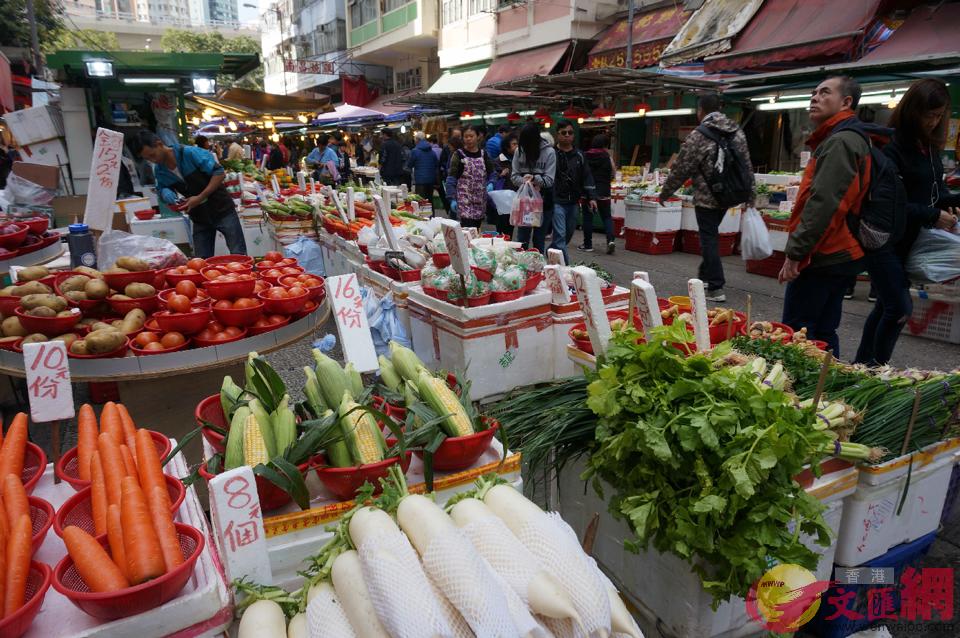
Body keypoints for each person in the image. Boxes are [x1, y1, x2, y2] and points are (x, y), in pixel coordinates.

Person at [855, 79, 960, 366]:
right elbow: (892, 203)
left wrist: (949, 202)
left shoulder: (929, 147)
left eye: (939, 115)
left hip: (909, 241)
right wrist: (933, 215)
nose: (934, 121)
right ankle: (875, 371)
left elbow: (931, 191)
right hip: (883, 240)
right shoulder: (892, 147)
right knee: (900, 307)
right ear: (913, 111)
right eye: (929, 115)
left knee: (886, 308)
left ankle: (862, 367)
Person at [778, 76, 871, 356]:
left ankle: (805, 393)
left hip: (825, 253)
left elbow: (824, 203)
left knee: (798, 332)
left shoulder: (840, 142)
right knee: (823, 329)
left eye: (824, 92)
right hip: (838, 252)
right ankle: (827, 390)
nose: (814, 98)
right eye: (814, 92)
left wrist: (797, 253)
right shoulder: (845, 138)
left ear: (846, 102)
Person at [660, 94, 755, 302]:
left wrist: (665, 192)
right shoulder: (737, 131)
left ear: (700, 111)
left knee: (709, 239)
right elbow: (747, 165)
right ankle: (705, 276)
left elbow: (681, 168)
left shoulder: (699, 135)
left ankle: (716, 287)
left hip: (706, 198)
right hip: (730, 196)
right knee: (710, 236)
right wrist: (751, 194)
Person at [130, 129, 247, 258]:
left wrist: (200, 197)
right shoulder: (159, 170)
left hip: (222, 210)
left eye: (152, 155)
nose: (153, 160)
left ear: (159, 144)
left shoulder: (189, 153)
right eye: (148, 159)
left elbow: (219, 173)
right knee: (200, 262)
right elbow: (161, 188)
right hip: (199, 217)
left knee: (239, 255)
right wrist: (165, 192)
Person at [551, 120, 596, 264]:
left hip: (574, 201)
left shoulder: (579, 155)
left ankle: (550, 251)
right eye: (563, 133)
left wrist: (592, 197)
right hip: (556, 200)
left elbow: (587, 176)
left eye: (570, 132)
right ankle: (565, 268)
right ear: (557, 135)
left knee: (567, 234)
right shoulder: (551, 154)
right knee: (560, 235)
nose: (567, 135)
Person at [512, 122, 557, 253]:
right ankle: (521, 268)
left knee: (539, 239)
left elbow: (549, 180)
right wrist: (525, 181)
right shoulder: (519, 151)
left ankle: (537, 268)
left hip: (543, 203)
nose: (525, 148)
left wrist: (534, 179)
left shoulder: (549, 153)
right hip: (524, 203)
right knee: (522, 239)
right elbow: (514, 177)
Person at [445, 125, 497, 229]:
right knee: (468, 230)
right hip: (464, 201)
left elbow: (492, 173)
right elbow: (451, 177)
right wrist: (451, 198)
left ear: (478, 137)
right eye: (466, 136)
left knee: (477, 229)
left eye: (471, 136)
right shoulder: (458, 155)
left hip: (480, 200)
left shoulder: (484, 154)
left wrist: (491, 182)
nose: (468, 139)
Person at [582, 134, 617, 254]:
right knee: (606, 217)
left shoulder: (585, 156)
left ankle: (588, 245)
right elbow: (613, 172)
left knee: (588, 218)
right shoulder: (607, 156)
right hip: (604, 191)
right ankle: (610, 240)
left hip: (588, 191)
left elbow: (582, 173)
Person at [489, 132, 518, 238]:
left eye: (517, 144)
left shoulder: (519, 160)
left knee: (510, 227)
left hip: (514, 199)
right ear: (506, 147)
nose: (517, 147)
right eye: (514, 144)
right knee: (501, 228)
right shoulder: (498, 161)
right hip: (501, 201)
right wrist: (500, 175)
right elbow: (492, 178)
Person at [407, 131, 440, 213]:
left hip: (420, 180)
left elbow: (409, 164)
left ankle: (424, 220)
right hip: (431, 180)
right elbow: (436, 165)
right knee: (429, 201)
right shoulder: (432, 151)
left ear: (417, 140)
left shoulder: (415, 151)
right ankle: (432, 218)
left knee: (421, 202)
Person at [439, 128, 462, 216]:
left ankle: (453, 217)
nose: (449, 147)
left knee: (454, 199)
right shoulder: (449, 153)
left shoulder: (458, 154)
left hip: (455, 181)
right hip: (451, 180)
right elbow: (443, 162)